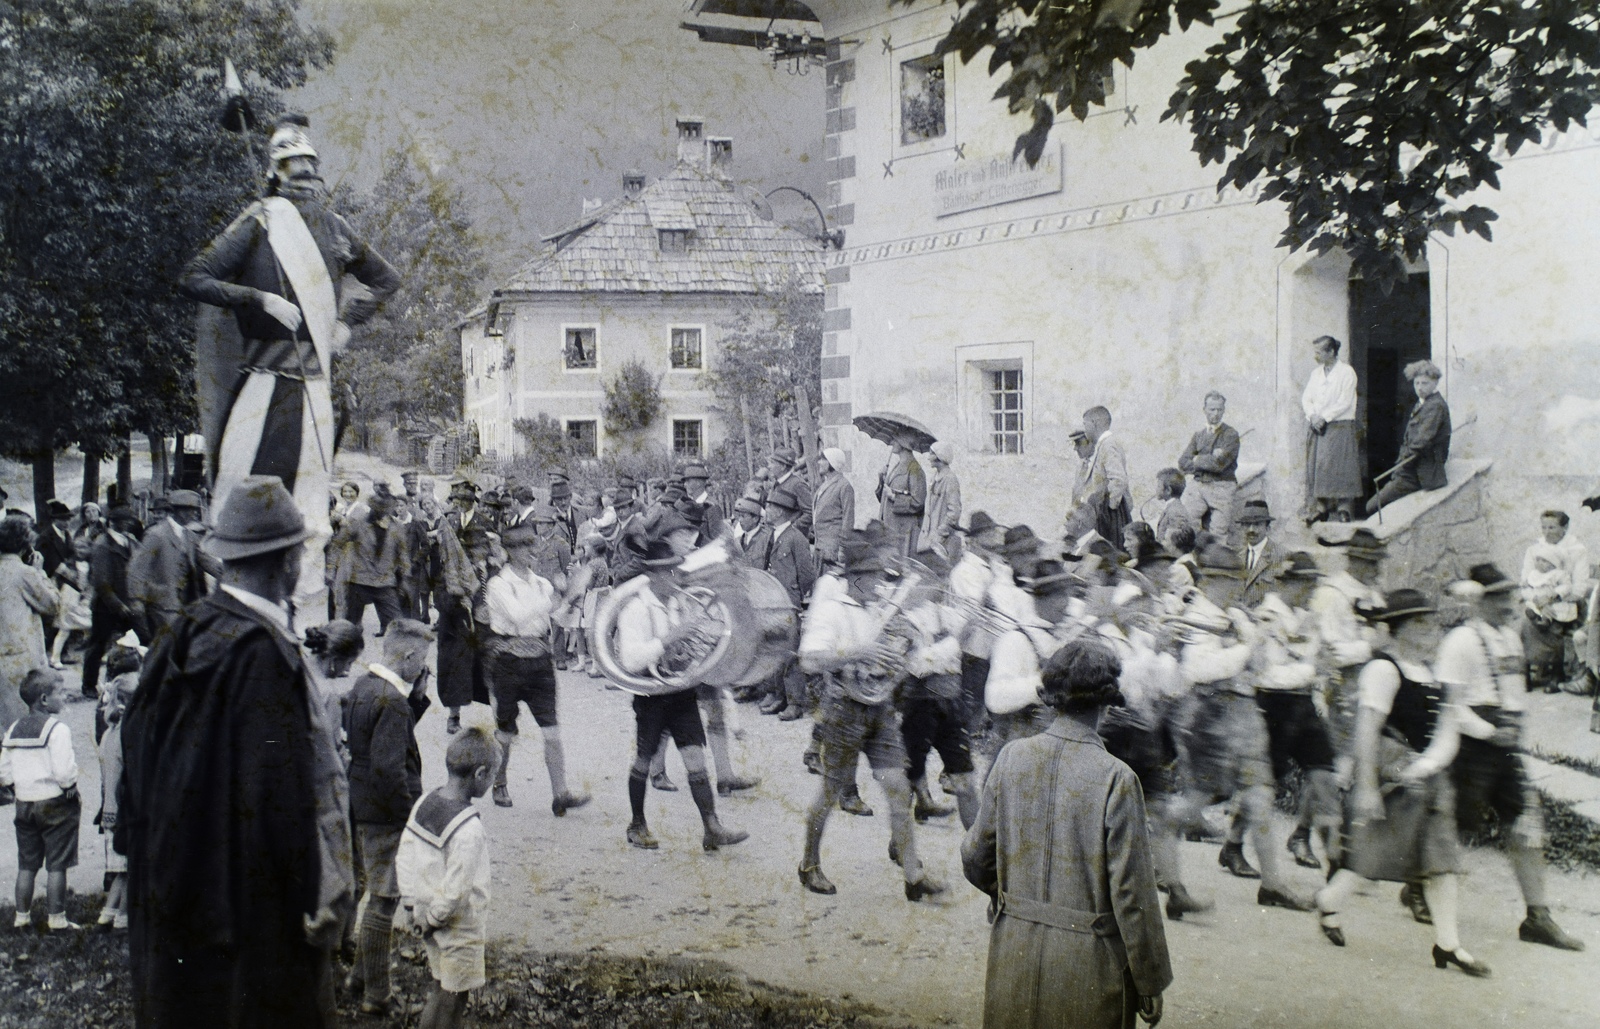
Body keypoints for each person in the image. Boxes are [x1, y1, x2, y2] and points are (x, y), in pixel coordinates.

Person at [121, 476, 354, 1029]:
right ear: (289, 560)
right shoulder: (261, 656)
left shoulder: (184, 633)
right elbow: (275, 796)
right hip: (251, 907)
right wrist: (310, 895)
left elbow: (137, 750)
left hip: (179, 883)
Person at [180, 115, 400, 610]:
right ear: (277, 172)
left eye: (309, 164)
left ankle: (294, 619)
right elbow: (195, 277)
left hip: (314, 385)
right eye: (292, 164)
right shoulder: (260, 219)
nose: (303, 172)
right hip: (261, 384)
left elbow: (387, 279)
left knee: (309, 512)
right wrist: (258, 299)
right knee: (241, 494)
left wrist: (345, 323)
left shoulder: (337, 227)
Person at [962, 639, 1171, 1029]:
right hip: (1089, 963)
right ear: (1107, 705)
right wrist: (1149, 978)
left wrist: (1005, 896)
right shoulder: (1117, 778)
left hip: (1015, 948)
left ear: (1051, 697)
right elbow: (1132, 892)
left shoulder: (1011, 757)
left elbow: (976, 855)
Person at [1311, 590, 1490, 972]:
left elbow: (1450, 721)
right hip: (1393, 774)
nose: (1430, 630)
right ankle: (1329, 900)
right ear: (1399, 629)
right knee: (1375, 855)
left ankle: (1448, 944)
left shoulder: (1430, 672)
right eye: (1420, 624)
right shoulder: (1384, 669)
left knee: (1441, 855)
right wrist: (1366, 787)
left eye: (1430, 623)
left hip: (1426, 775)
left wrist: (1488, 732)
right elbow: (1367, 728)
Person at [1438, 563, 1584, 951]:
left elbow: (1516, 696)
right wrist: (1489, 732)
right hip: (1472, 746)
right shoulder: (1460, 642)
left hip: (1506, 746)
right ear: (1478, 601)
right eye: (1499, 597)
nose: (1509, 605)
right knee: (1458, 828)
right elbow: (1449, 707)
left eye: (1509, 596)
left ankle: (1537, 916)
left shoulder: (1511, 638)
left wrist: (1516, 732)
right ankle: (1422, 888)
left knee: (1525, 825)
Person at [796, 530, 944, 900]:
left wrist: (901, 651)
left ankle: (914, 876)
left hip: (878, 707)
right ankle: (809, 864)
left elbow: (898, 652)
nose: (883, 586)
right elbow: (810, 660)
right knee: (830, 791)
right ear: (858, 579)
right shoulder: (831, 610)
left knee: (898, 788)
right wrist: (857, 653)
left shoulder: (875, 610)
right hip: (843, 708)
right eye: (877, 578)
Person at [612, 525, 748, 852]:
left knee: (695, 761)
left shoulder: (678, 601)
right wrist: (672, 638)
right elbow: (630, 660)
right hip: (650, 694)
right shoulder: (636, 609)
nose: (679, 577)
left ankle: (712, 827)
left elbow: (699, 639)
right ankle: (637, 824)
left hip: (680, 691)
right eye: (673, 572)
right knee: (644, 761)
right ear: (656, 575)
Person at [340, 618, 434, 1015]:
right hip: (385, 814)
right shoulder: (392, 702)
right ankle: (376, 995)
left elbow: (378, 742)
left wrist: (418, 698)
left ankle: (359, 977)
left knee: (374, 891)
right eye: (423, 659)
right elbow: (389, 768)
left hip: (361, 805)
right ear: (410, 655)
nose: (425, 666)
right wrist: (408, 816)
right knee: (384, 899)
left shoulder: (366, 686)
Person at [483, 524, 589, 815]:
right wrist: (556, 597)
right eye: (526, 547)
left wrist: (569, 601)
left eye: (533, 545)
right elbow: (518, 617)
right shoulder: (498, 585)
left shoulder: (541, 583)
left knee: (551, 729)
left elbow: (557, 615)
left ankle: (560, 793)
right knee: (505, 731)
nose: (533, 551)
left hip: (540, 661)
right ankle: (500, 781)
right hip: (507, 661)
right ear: (510, 552)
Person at [397, 728, 497, 1029]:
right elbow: (457, 888)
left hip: (427, 914)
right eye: (493, 776)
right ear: (480, 774)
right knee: (455, 996)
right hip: (457, 924)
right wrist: (437, 916)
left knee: (441, 987)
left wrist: (413, 904)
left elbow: (405, 855)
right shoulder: (468, 828)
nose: (492, 782)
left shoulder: (425, 802)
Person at [2, 668, 81, 931]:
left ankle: (21, 917)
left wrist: (17, 785)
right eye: (60, 692)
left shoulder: (14, 728)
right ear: (44, 699)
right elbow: (63, 770)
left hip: (24, 803)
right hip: (54, 803)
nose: (65, 696)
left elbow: (4, 771)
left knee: (28, 864)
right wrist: (69, 785)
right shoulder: (57, 729)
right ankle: (57, 919)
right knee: (56, 864)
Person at [436, 480, 496, 733]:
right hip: (454, 599)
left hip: (481, 596)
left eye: (464, 500)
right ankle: (453, 715)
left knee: (490, 659)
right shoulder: (447, 523)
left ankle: (499, 717)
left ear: (473, 502)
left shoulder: (485, 522)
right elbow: (441, 560)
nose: (459, 503)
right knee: (452, 659)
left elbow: (493, 554)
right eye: (456, 499)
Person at [759, 485, 816, 720]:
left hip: (788, 602)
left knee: (791, 652)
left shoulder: (796, 539)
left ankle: (795, 702)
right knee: (774, 649)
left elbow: (807, 575)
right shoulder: (771, 536)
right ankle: (779, 695)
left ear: (781, 512)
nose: (767, 511)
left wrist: (795, 596)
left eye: (771, 507)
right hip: (772, 601)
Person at [96, 643, 142, 931]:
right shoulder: (128, 732)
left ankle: (107, 913)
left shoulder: (110, 731)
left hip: (111, 806)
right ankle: (124, 919)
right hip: (126, 805)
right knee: (132, 867)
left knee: (121, 869)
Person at [1367, 359, 1451, 514]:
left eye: (1425, 383)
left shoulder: (1435, 405)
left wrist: (1402, 461)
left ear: (1435, 383)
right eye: (1416, 383)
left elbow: (1422, 441)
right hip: (1409, 469)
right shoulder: (1422, 404)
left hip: (1421, 472)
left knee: (1372, 506)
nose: (1419, 388)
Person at [127, 489, 211, 645]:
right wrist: (136, 600)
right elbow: (137, 568)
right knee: (172, 645)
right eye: (191, 510)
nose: (195, 514)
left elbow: (207, 561)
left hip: (186, 602)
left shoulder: (190, 536)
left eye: (195, 510)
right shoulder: (156, 535)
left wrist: (234, 575)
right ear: (177, 511)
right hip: (162, 603)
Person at [1519, 510, 1591, 691]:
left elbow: (1579, 589)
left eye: (1552, 527)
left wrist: (1553, 598)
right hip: (1538, 602)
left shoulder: (1577, 550)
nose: (1547, 531)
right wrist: (1538, 601)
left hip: (1569, 602)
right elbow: (1525, 584)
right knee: (1528, 621)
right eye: (1544, 527)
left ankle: (1555, 671)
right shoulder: (1534, 550)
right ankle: (1536, 668)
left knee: (1554, 624)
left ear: (1565, 527)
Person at [1, 519, 59, 731]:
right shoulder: (24, 572)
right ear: (26, 545)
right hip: (19, 661)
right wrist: (40, 572)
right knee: (21, 727)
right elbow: (52, 604)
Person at [1301, 335, 1361, 523]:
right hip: (1318, 427)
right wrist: (1313, 416)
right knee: (1319, 467)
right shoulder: (1316, 374)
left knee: (1341, 467)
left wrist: (1325, 417)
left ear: (1331, 352)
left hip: (1339, 425)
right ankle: (1321, 508)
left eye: (1319, 352)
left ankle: (1344, 509)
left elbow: (1345, 401)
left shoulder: (1346, 372)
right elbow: (1306, 398)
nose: (1315, 356)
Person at [82, 504, 140, 699]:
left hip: (126, 602)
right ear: (113, 523)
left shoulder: (129, 541)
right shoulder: (102, 545)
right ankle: (89, 685)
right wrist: (118, 605)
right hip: (106, 606)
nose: (128, 524)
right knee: (98, 645)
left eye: (129, 521)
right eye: (124, 521)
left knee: (129, 643)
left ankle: (120, 682)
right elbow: (101, 582)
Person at [1178, 391, 1242, 539]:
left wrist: (1196, 460)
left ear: (1224, 410)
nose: (1216, 413)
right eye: (1212, 409)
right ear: (1204, 410)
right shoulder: (1199, 435)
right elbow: (1183, 462)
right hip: (1199, 486)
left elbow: (1219, 465)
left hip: (1222, 487)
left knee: (1219, 533)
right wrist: (1207, 459)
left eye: (1220, 409)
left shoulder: (1230, 435)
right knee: (1187, 525)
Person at [1067, 406, 1133, 546]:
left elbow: (1118, 480)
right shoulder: (1103, 445)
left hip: (1110, 517)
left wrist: (1107, 512)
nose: (1085, 429)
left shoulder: (1109, 445)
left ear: (1094, 423)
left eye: (1085, 424)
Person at [876, 434, 927, 555]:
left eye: (895, 440)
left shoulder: (915, 468)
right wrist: (881, 479)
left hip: (903, 531)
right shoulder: (896, 466)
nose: (892, 442)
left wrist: (894, 497)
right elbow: (883, 499)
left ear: (903, 443)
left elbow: (918, 501)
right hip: (890, 527)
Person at [812, 446, 856, 571]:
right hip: (820, 545)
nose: (819, 463)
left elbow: (848, 520)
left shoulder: (844, 486)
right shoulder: (824, 485)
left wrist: (843, 548)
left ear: (832, 463)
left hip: (832, 548)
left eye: (823, 460)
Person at [919, 440, 962, 558]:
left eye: (931, 454)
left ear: (939, 457)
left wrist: (940, 533)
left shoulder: (950, 479)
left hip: (942, 541)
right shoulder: (934, 478)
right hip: (929, 538)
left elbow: (954, 512)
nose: (929, 458)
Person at [1235, 499, 1281, 606]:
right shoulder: (1235, 556)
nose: (1251, 529)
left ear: (1267, 528)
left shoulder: (1280, 556)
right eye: (1247, 524)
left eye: (1257, 524)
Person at [1149, 469, 1193, 550]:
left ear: (1168, 490)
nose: (1156, 489)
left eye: (1159, 486)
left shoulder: (1175, 511)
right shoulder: (1172, 507)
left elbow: (1174, 544)